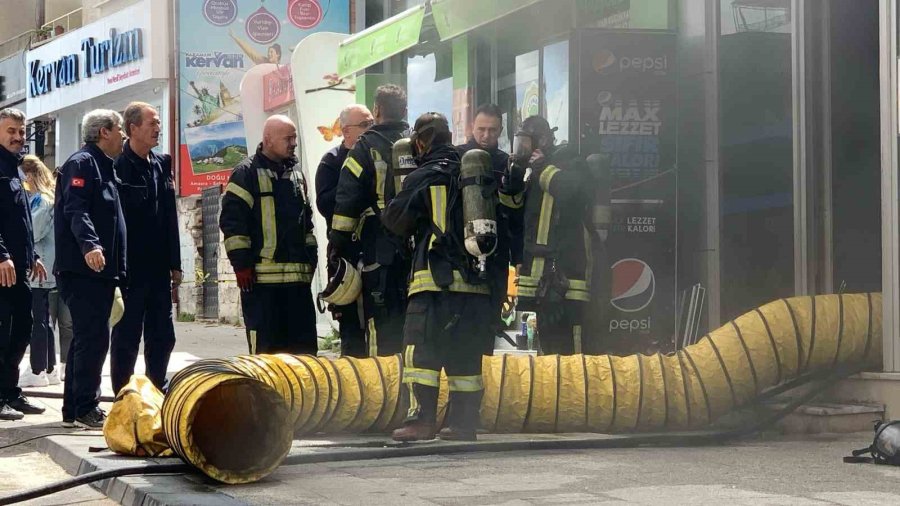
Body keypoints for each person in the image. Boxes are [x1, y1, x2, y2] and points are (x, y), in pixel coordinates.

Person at [383, 112, 493, 442]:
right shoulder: (475, 174)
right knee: (465, 357)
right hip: (475, 284)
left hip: (433, 283)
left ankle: (421, 421)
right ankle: (462, 424)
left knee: (420, 353)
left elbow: (395, 221)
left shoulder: (424, 176)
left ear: (420, 142)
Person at [220, 115, 318, 355]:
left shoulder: (296, 174)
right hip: (262, 286)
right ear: (268, 140)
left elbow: (306, 223)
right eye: (288, 138)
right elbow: (233, 224)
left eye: (295, 137)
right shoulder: (245, 173)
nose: (294, 143)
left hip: (298, 286)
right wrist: (241, 265)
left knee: (303, 356)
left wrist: (311, 258)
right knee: (267, 356)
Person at [55, 109, 127, 428]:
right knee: (93, 338)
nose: (123, 135)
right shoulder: (82, 163)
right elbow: (76, 208)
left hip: (99, 271)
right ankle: (86, 407)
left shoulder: (105, 166)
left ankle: (74, 409)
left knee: (89, 337)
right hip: (83, 270)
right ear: (103, 133)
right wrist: (90, 244)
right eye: (119, 129)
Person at [329, 84, 410, 356]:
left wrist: (337, 246)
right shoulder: (421, 143)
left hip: (379, 250)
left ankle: (386, 389)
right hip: (418, 251)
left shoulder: (364, 149)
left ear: (376, 111)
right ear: (405, 111)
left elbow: (345, 204)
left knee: (379, 323)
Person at [110, 102, 181, 394]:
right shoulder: (117, 166)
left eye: (159, 123)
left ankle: (156, 389)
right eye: (152, 123)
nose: (158, 128)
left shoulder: (161, 164)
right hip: (130, 270)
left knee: (163, 335)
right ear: (132, 129)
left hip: (158, 268)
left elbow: (170, 217)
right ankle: (124, 396)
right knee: (127, 337)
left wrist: (175, 264)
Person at [514, 116, 596, 356]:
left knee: (572, 342)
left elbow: (571, 192)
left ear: (544, 140)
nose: (523, 148)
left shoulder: (570, 161)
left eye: (527, 142)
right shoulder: (532, 173)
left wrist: (543, 169)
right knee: (546, 346)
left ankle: (578, 392)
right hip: (541, 275)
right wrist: (514, 179)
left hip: (567, 274)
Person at [457, 104, 525, 352]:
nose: (486, 136)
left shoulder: (508, 164)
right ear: (470, 128)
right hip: (461, 255)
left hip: (498, 255)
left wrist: (518, 257)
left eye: (492, 130)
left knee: (489, 321)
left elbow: (517, 216)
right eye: (481, 129)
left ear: (501, 130)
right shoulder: (456, 158)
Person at [0, 108, 48, 420]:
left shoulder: (15, 168)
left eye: (20, 131)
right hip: (2, 267)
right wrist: (1, 254)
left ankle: (10, 393)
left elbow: (20, 221)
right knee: (2, 332)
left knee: (22, 330)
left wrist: (32, 256)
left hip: (20, 268)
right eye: (11, 131)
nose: (18, 137)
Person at [316, 104, 373, 358]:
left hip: (375, 253)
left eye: (373, 123)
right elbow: (325, 204)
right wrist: (351, 182)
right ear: (347, 131)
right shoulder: (331, 162)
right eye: (366, 125)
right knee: (351, 326)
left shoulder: (377, 156)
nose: (372, 129)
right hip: (346, 256)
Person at [18, 155, 61, 388]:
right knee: (43, 318)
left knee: (38, 319)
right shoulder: (42, 198)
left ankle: (37, 370)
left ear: (31, 176)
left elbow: (33, 231)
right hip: (43, 264)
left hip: (40, 265)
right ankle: (49, 368)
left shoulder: (42, 201)